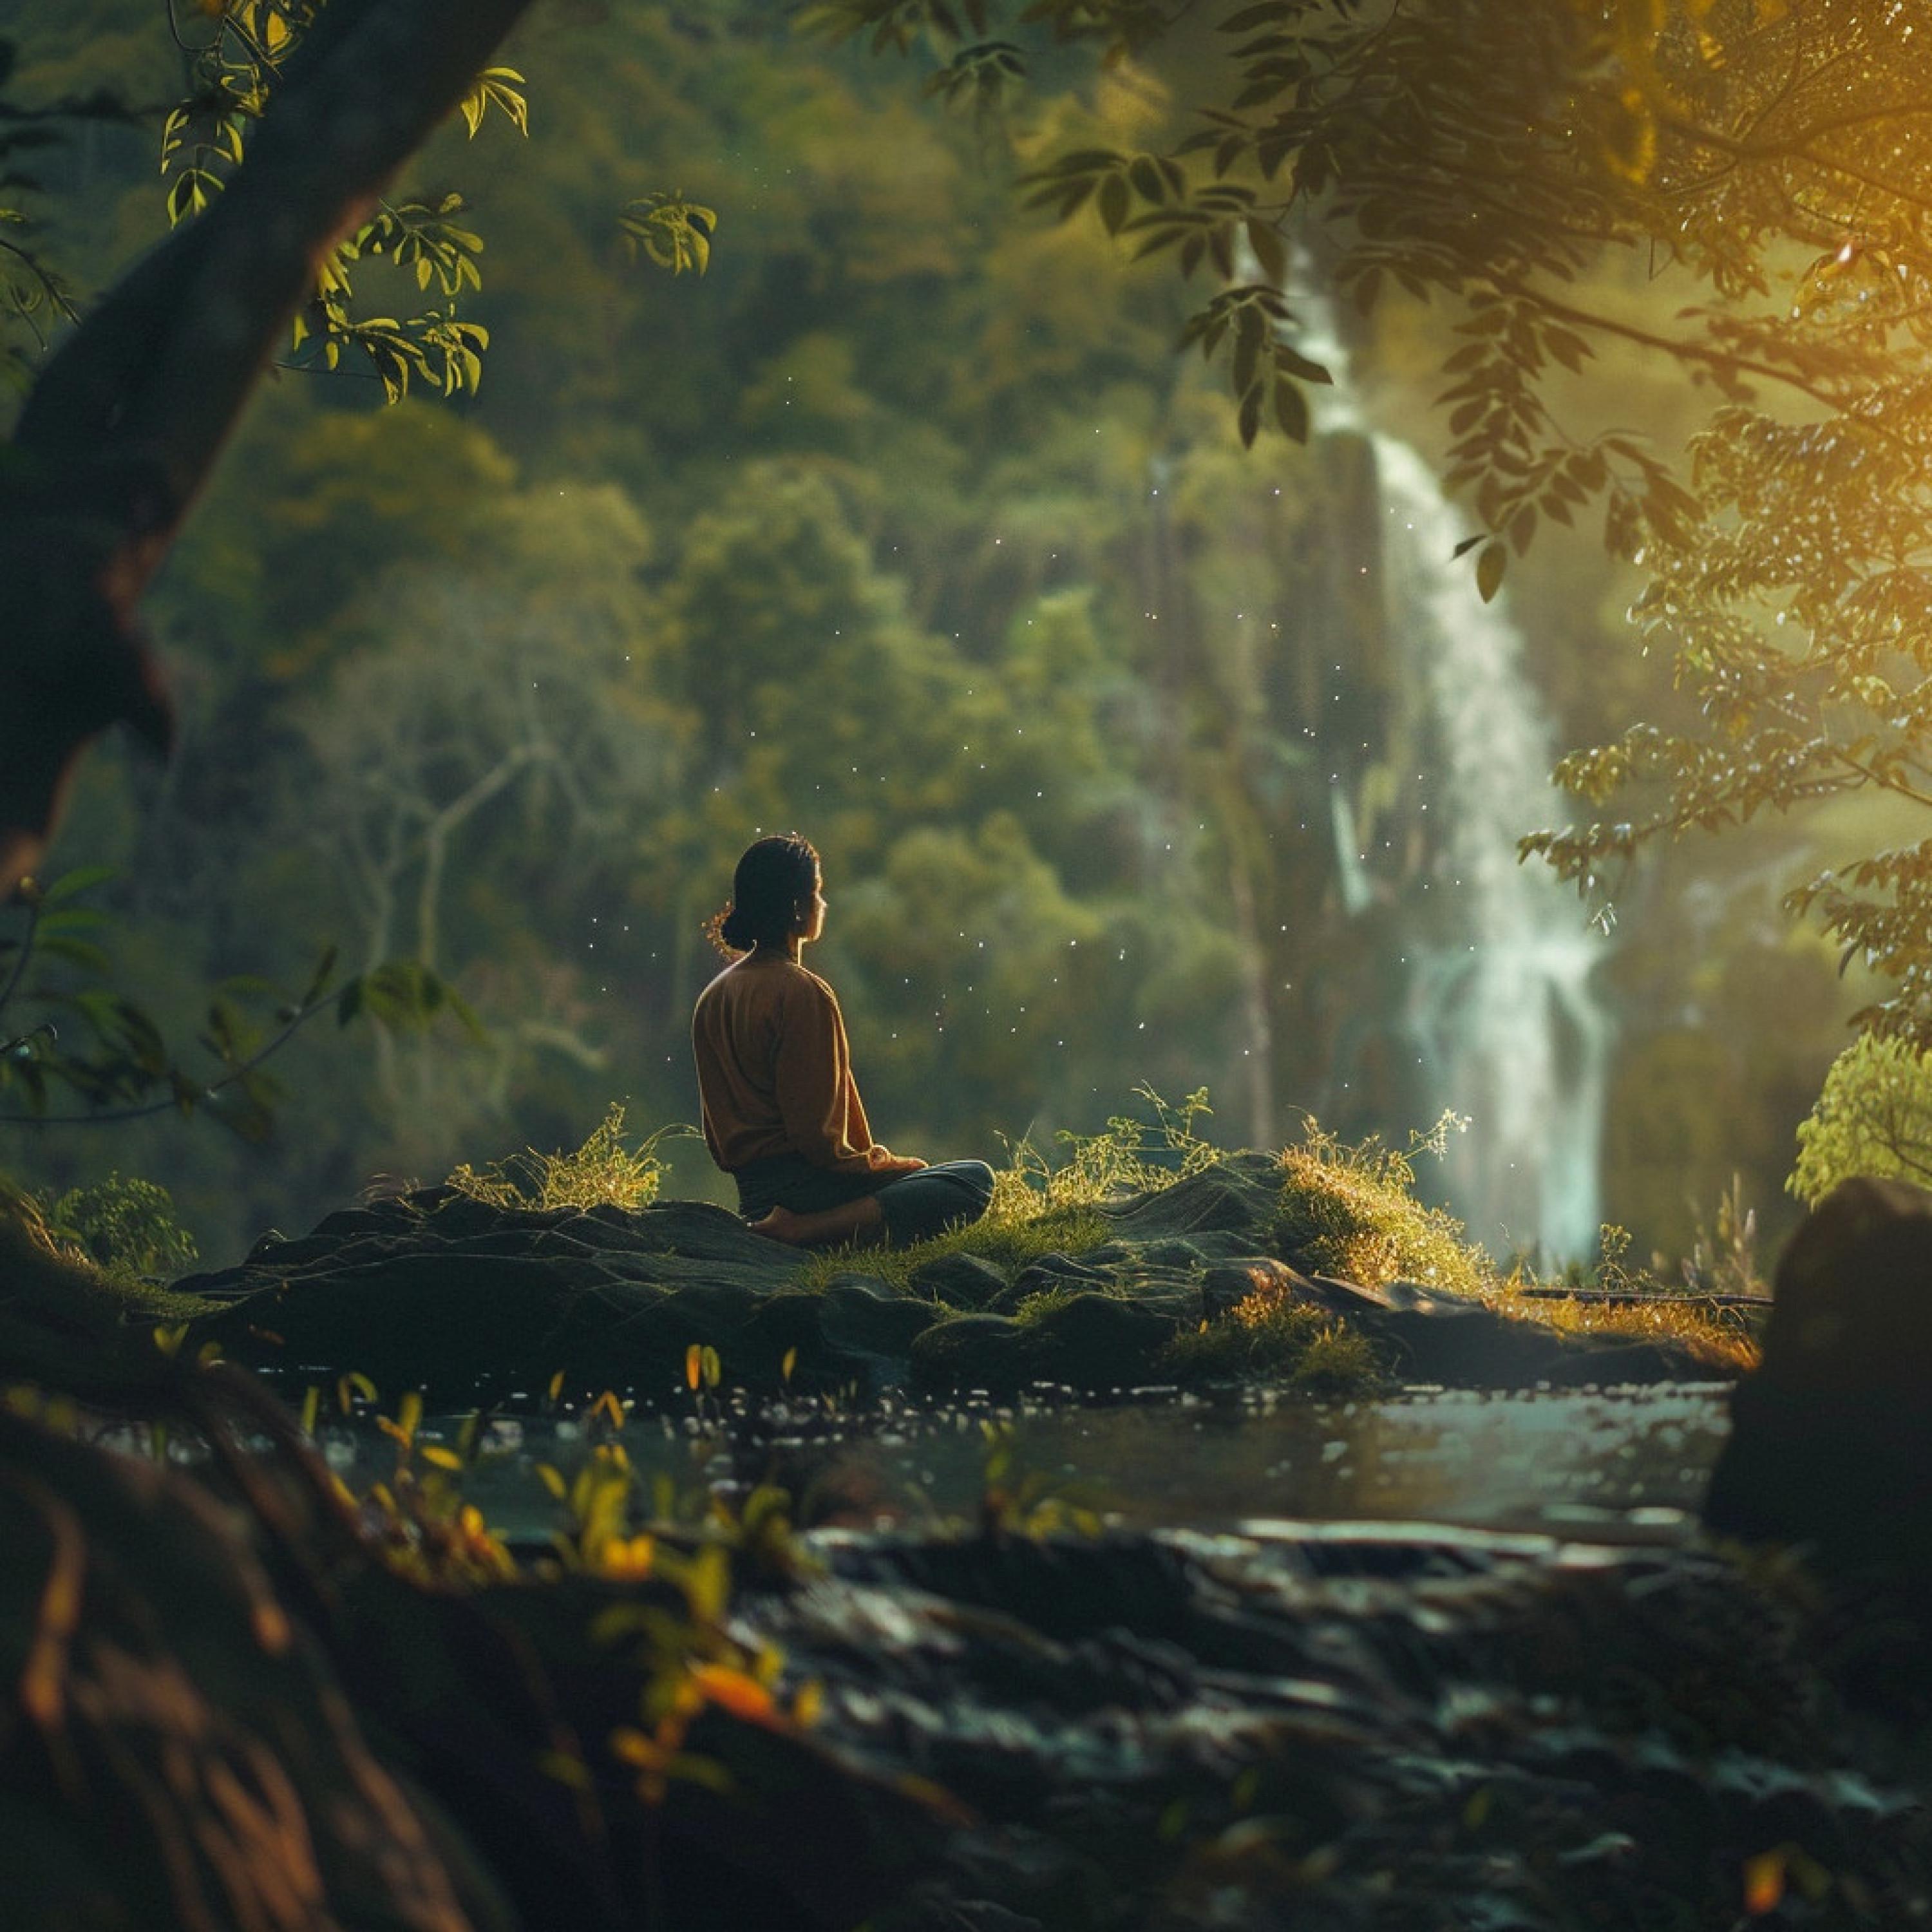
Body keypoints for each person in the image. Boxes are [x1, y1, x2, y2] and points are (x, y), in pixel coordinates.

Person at [692, 834, 995, 1247]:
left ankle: (797, 1225)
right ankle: (805, 1231)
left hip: (753, 1197)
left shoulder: (713, 997)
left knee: (925, 1179)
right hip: (810, 1191)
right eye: (817, 892)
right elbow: (817, 1140)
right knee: (972, 1179)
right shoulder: (800, 992)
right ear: (797, 908)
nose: (823, 904)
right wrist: (889, 1168)